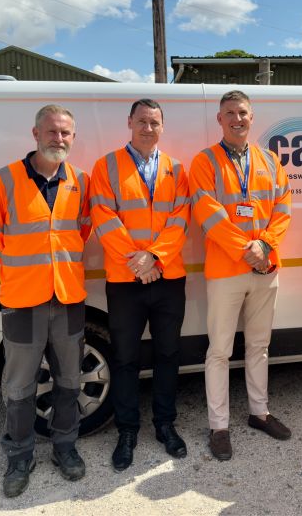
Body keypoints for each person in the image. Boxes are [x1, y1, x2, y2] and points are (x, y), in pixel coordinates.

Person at [0, 104, 91, 498]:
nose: (58, 139)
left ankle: (65, 448)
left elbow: (84, 229)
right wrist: (24, 268)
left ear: (73, 138)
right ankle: (19, 456)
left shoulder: (81, 180)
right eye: (51, 132)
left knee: (68, 381)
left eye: (65, 133)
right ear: (35, 133)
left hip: (68, 297)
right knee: (20, 385)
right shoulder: (4, 180)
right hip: (22, 300)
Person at [189, 90, 292, 461]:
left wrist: (263, 246)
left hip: (265, 268)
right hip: (226, 269)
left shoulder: (269, 160)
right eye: (229, 113)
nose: (237, 119)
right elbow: (207, 211)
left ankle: (259, 413)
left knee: (259, 346)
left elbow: (283, 209)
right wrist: (246, 250)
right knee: (219, 350)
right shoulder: (204, 161)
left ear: (252, 117)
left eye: (243, 113)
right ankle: (219, 426)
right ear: (219, 119)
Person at [89, 98, 190, 470]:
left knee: (168, 354)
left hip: (167, 276)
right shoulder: (107, 166)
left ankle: (165, 425)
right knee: (125, 358)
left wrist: (156, 258)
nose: (148, 128)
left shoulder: (176, 169)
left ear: (162, 127)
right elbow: (103, 215)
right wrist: (138, 261)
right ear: (129, 123)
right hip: (125, 278)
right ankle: (127, 430)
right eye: (142, 121)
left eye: (155, 122)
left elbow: (181, 217)